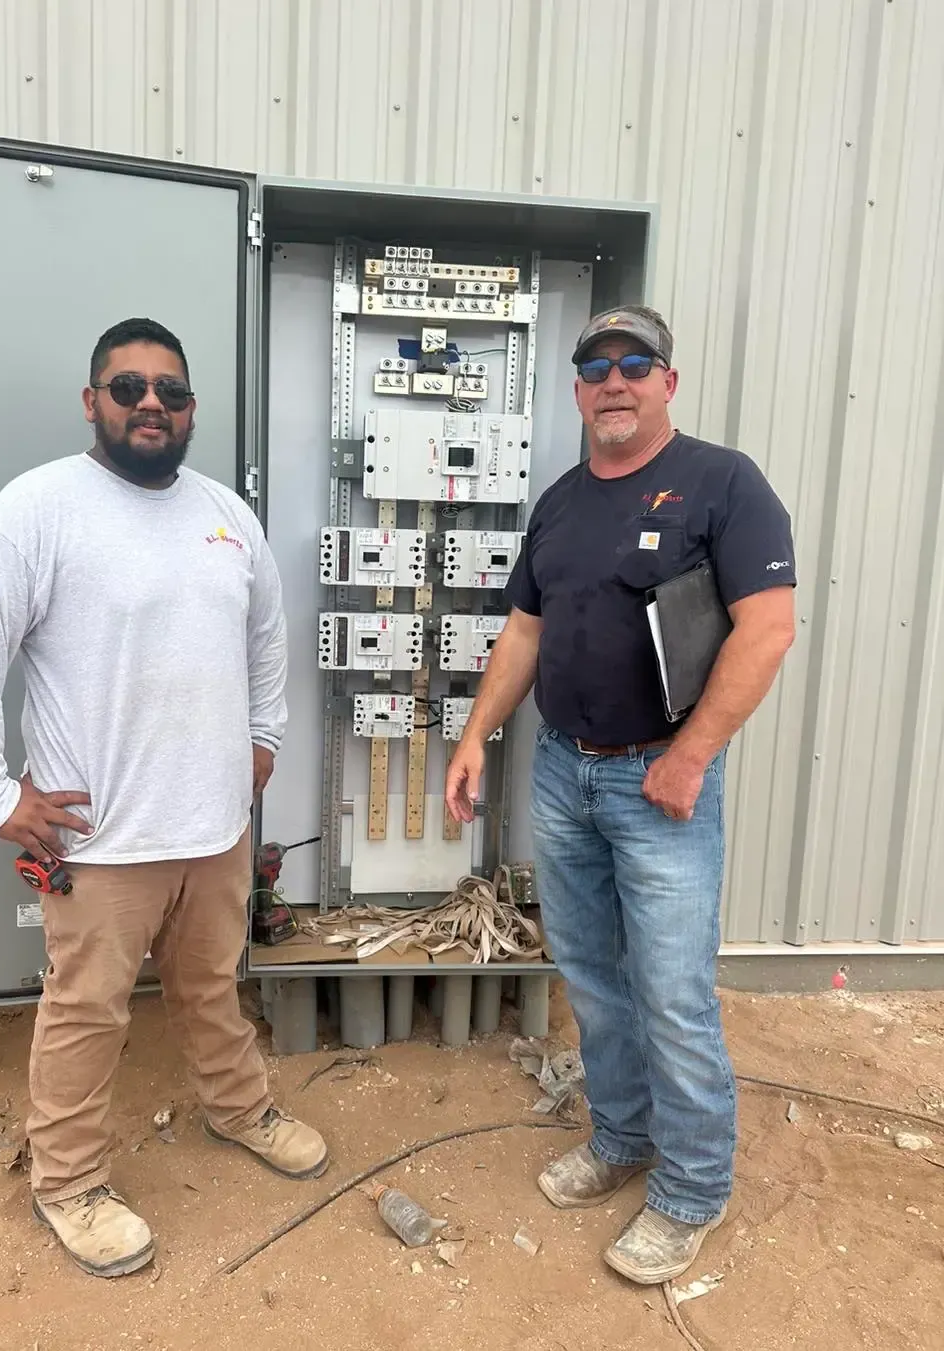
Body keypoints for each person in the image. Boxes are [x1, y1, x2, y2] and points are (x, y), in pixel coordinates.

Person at [0, 317, 327, 1280]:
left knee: (212, 987)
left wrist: (264, 738)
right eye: (130, 386)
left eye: (172, 391)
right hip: (100, 843)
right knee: (87, 1010)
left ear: (191, 409)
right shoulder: (40, 508)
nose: (153, 404)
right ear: (92, 400)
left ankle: (239, 1109)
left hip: (215, 828)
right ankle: (68, 1182)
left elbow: (267, 637)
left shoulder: (226, 513)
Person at [445, 305, 796, 1285]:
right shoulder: (558, 503)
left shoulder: (725, 484)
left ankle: (691, 1191)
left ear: (667, 383)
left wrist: (689, 757)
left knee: (673, 994)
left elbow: (766, 628)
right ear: (577, 388)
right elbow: (522, 633)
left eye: (634, 363)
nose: (614, 379)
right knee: (595, 982)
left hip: (661, 781)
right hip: (564, 771)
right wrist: (477, 737)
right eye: (595, 365)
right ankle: (623, 1138)